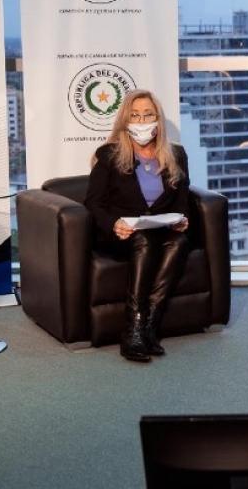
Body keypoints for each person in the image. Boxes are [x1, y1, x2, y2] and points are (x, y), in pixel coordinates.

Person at [85, 89, 191, 362]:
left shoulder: (175, 155)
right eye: (135, 116)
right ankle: (132, 331)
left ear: (158, 119)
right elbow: (93, 203)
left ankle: (149, 326)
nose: (142, 122)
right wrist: (114, 224)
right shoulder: (109, 154)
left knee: (179, 242)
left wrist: (182, 219)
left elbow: (183, 199)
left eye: (148, 115)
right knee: (142, 240)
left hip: (159, 230)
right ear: (125, 120)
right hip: (122, 234)